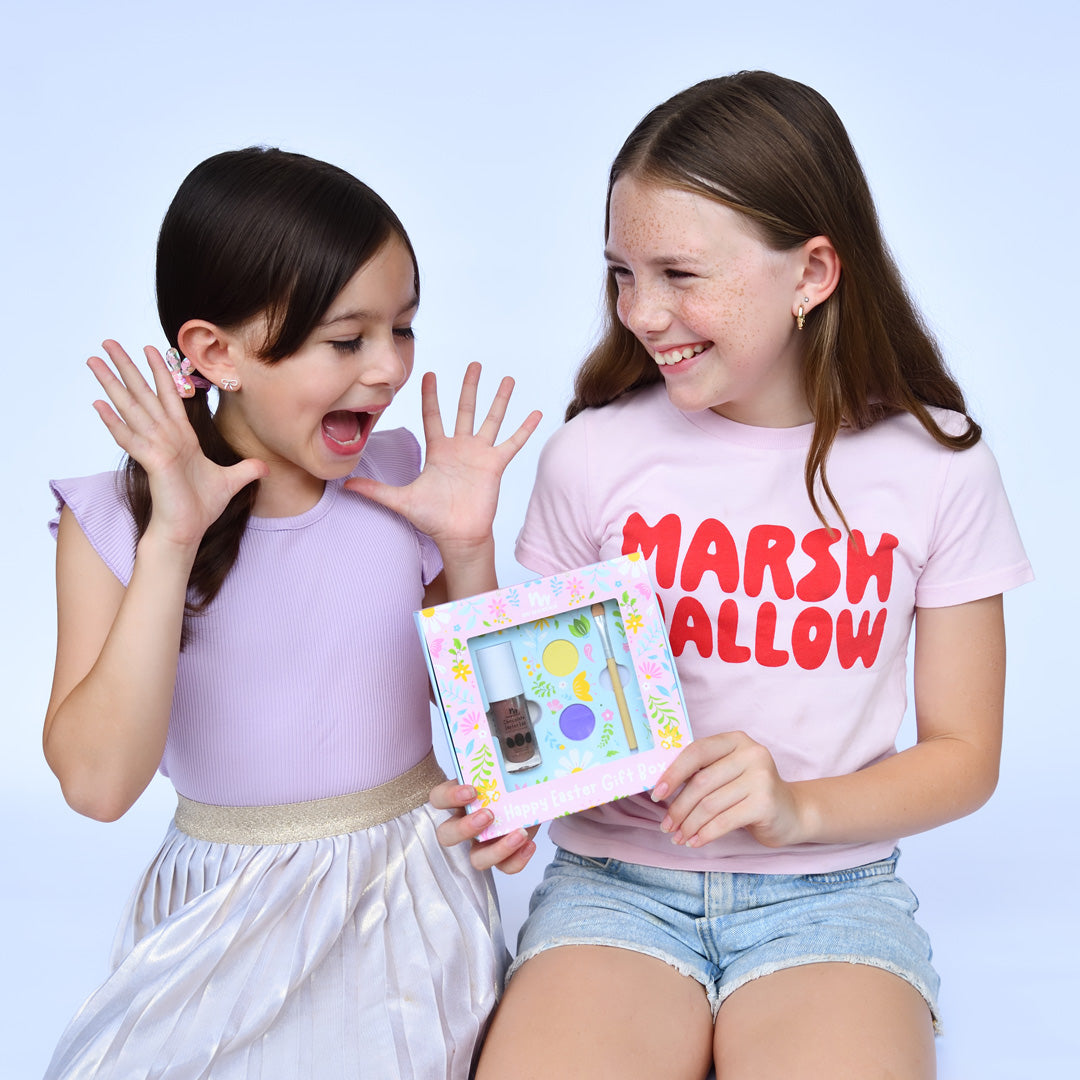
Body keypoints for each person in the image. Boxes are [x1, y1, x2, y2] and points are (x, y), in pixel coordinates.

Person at [433, 71, 1032, 1079]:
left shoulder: (940, 466)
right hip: (613, 885)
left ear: (813, 273)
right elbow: (523, 725)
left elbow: (966, 753)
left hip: (832, 895)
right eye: (621, 271)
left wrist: (798, 812)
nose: (640, 311)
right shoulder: (594, 453)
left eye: (679, 272)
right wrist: (510, 796)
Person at [42, 147, 539, 1079]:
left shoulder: (400, 480)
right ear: (212, 351)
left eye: (403, 328)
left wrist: (470, 549)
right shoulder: (111, 519)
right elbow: (98, 787)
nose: (388, 369)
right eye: (346, 341)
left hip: (407, 903)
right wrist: (171, 544)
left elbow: (507, 746)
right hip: (215, 921)